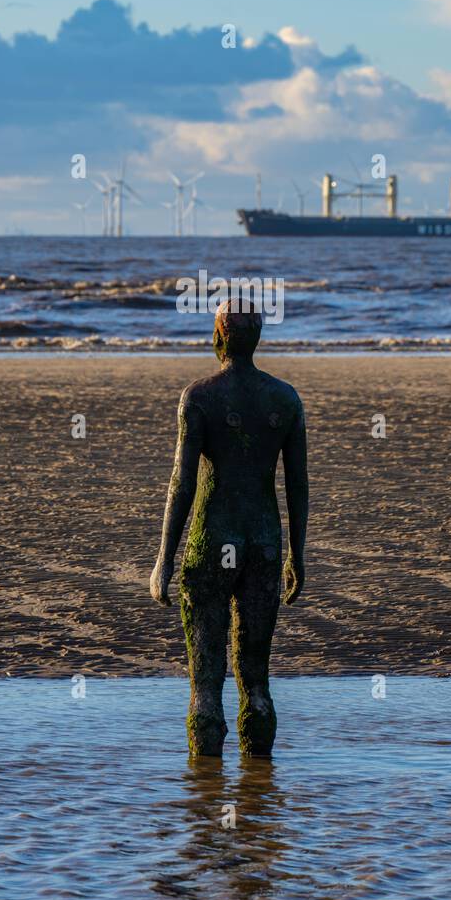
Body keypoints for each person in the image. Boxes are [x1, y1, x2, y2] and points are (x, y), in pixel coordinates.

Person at [150, 298, 309, 756]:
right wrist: (298, 556)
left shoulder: (198, 397)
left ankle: (205, 796)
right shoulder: (284, 398)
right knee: (256, 680)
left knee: (205, 683)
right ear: (257, 341)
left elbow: (181, 483)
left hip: (211, 539)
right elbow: (297, 485)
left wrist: (164, 560)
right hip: (263, 543)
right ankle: (260, 791)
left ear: (217, 339)